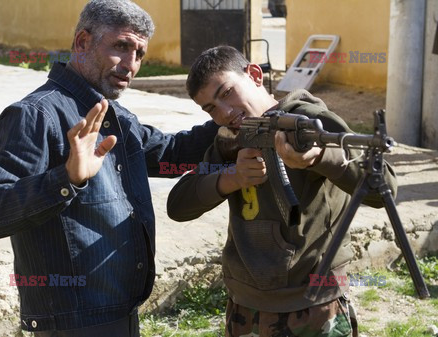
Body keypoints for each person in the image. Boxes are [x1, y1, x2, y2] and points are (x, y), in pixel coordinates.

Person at [0, 1, 218, 336]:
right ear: (82, 42)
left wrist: (237, 116)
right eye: (121, 47)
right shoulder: (35, 115)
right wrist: (66, 178)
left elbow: (173, 154)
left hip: (120, 314)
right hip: (74, 324)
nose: (130, 64)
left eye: (139, 54)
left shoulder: (115, 117)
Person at [167, 45, 398, 337]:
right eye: (211, 108)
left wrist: (320, 158)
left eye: (226, 93)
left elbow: (385, 187)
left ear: (254, 75)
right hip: (244, 306)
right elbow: (178, 205)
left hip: (314, 305)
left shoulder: (311, 120)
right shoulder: (229, 139)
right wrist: (231, 178)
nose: (225, 113)